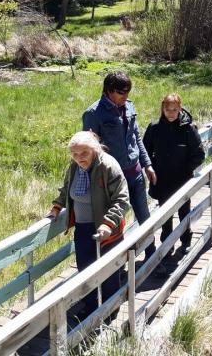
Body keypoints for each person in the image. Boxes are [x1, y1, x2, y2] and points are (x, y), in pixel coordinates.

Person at [49, 131, 129, 314]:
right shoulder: (74, 166)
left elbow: (122, 200)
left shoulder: (108, 166)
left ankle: (111, 308)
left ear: (94, 150)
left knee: (109, 270)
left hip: (107, 229)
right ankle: (90, 306)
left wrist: (108, 223)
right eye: (74, 154)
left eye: (83, 153)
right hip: (83, 228)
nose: (79, 158)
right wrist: (57, 206)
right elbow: (67, 188)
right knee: (85, 268)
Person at [82, 71, 157, 257]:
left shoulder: (129, 107)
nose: (126, 97)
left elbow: (136, 138)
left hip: (135, 173)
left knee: (144, 216)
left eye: (128, 92)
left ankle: (152, 255)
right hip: (112, 180)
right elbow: (89, 150)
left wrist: (147, 164)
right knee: (115, 223)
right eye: (122, 93)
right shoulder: (94, 114)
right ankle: (117, 270)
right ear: (109, 90)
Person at [142, 94, 205, 261]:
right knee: (165, 214)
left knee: (184, 211)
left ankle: (186, 241)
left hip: (182, 179)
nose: (171, 113)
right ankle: (167, 243)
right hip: (161, 178)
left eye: (175, 110)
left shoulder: (188, 128)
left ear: (180, 109)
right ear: (162, 108)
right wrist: (149, 168)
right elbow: (145, 152)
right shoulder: (154, 127)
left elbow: (199, 154)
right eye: (168, 109)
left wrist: (186, 170)